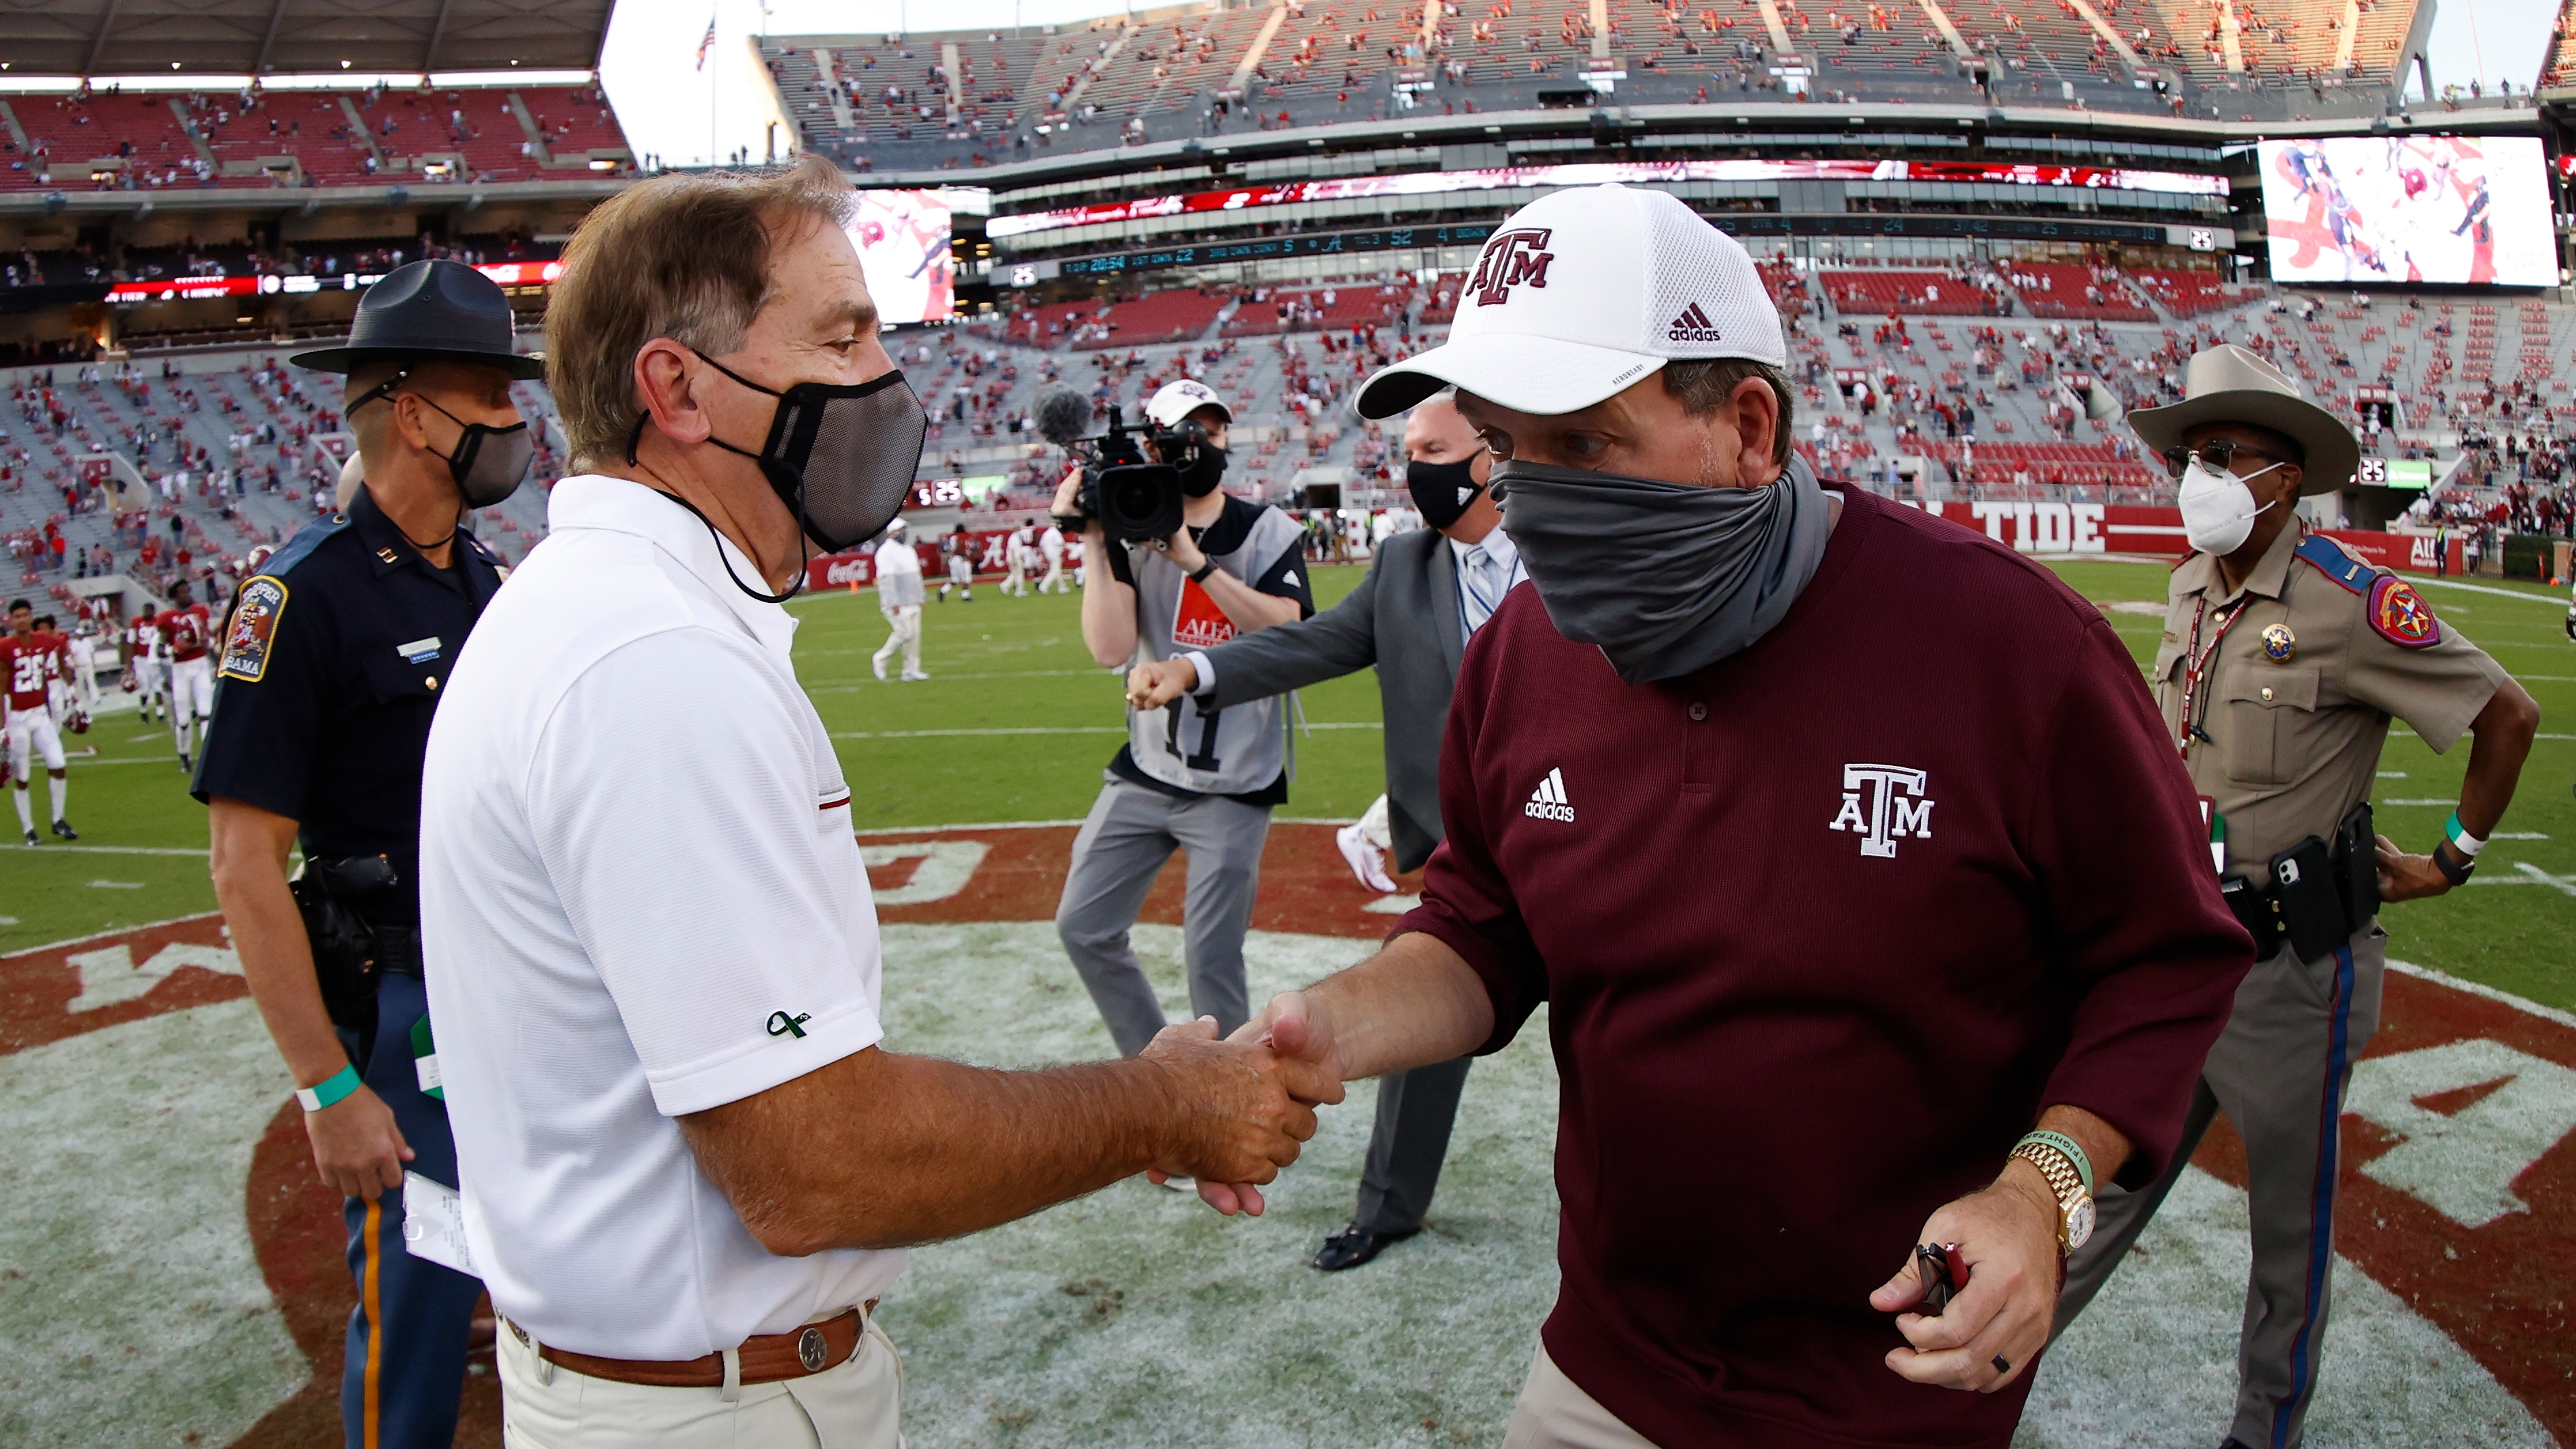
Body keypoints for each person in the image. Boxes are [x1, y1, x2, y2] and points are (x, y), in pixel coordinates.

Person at [1193, 184, 2252, 1448]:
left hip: (1896, 1390)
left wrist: (2047, 1188)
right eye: (1507, 448)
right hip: (1606, 1361)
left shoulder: (2012, 650)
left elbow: (2165, 956)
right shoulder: (1520, 654)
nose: (1531, 498)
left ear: (1750, 426)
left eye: (1580, 444)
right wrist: (1327, 1029)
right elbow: (1487, 928)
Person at [416, 158, 1323, 1448]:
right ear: (675, 388)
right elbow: (812, 1161)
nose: (880, 379)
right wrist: (1160, 1103)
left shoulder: (615, 616)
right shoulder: (647, 659)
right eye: (840, 337)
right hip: (712, 1405)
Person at [2057, 343, 2541, 1449]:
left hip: (2292, 973)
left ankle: (2262, 1433)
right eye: (2194, 452)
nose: (2204, 474)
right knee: (2101, 1180)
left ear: (2286, 477)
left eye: (2228, 454)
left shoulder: (2349, 603)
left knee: (2288, 1231)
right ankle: (1989, 1368)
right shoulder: (2189, 585)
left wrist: (2454, 855)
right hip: (2181, 954)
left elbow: (2506, 712)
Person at [196, 258, 539, 1449]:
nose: (513, 424)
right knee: (416, 1308)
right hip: (402, 1009)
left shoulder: (482, 577)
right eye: (491, 398)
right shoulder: (301, 599)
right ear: (411, 414)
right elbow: (243, 864)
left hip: (509, 986)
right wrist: (329, 1086)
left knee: (538, 1269)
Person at [1126, 388, 1517, 1272]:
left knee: (1631, 1043)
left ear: (1491, 455)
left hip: (1593, 847)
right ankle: (1387, 1210)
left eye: (1429, 447)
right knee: (1425, 1026)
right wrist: (1193, 668)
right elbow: (1313, 644)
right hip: (1472, 853)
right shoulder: (1406, 566)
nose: (1411, 466)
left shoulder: (1573, 554)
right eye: (1407, 448)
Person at [1051, 377, 1312, 1117]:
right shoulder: (1128, 527)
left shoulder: (1268, 531)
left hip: (1235, 777)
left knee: (1212, 958)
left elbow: (1291, 635)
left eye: (1215, 428)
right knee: (1083, 923)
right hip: (1147, 768)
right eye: (1186, 430)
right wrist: (1099, 532)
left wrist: (1192, 558)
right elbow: (1108, 647)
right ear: (1153, 444)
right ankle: (1158, 1082)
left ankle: (1236, 1107)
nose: (1204, 442)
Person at [2, 599, 75, 843]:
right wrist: (2, 726)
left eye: (25, 614)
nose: (22, 619)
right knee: (22, 776)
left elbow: (61, 658)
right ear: (11, 620)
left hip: (40, 714)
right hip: (17, 718)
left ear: (31, 617)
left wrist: (72, 693)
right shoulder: (5, 646)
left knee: (58, 764)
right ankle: (28, 828)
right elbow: (2, 689)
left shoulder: (45, 641)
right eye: (17, 616)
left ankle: (58, 819)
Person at [158, 578, 216, 769]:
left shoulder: (200, 611)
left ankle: (209, 757)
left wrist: (213, 659)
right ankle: (184, 754)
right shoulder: (166, 618)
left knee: (205, 712)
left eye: (188, 591)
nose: (187, 595)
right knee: (183, 720)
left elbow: (206, 638)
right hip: (180, 669)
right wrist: (172, 650)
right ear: (174, 597)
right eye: (182, 593)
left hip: (200, 664)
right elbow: (160, 648)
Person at [871, 517, 928, 682]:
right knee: (904, 632)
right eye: (901, 530)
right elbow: (886, 580)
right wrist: (892, 602)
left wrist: (921, 597)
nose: (904, 533)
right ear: (892, 533)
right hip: (899, 602)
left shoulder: (909, 550)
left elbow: (916, 577)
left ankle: (911, 670)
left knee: (914, 636)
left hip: (912, 601)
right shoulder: (886, 551)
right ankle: (881, 658)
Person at [124, 603, 169, 724]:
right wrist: (128, 664)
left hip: (155, 659)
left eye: (149, 610)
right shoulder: (136, 623)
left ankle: (160, 713)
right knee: (144, 687)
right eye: (145, 610)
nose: (146, 612)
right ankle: (143, 709)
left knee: (158, 686)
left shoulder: (159, 622)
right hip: (141, 660)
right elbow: (131, 643)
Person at [938, 521, 975, 601]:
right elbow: (959, 545)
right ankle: (965, 597)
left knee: (955, 580)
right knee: (966, 579)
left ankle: (943, 590)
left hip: (953, 559)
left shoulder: (952, 537)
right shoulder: (963, 536)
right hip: (961, 559)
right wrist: (964, 556)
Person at [1038, 519, 1069, 593]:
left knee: (1057, 570)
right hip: (1055, 553)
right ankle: (1043, 586)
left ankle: (1062, 587)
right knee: (1054, 571)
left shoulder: (1046, 533)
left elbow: (1041, 545)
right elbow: (1061, 542)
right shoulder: (1056, 532)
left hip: (1048, 554)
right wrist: (1068, 547)